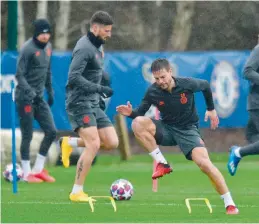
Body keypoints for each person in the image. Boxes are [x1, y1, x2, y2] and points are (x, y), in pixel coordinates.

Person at [116, 58, 239, 215]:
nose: (160, 81)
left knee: (205, 164)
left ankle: (229, 203)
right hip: (166, 129)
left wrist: (211, 109)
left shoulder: (186, 84)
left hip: (188, 130)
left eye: (163, 77)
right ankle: (162, 163)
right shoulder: (152, 91)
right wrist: (131, 113)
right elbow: (140, 113)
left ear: (170, 72)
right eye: (156, 78)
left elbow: (206, 86)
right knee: (137, 123)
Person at [65, 11, 119, 202]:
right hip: (79, 103)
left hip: (93, 102)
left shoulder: (98, 47)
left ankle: (69, 143)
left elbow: (95, 71)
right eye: (106, 30)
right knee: (94, 144)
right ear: (94, 28)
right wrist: (98, 87)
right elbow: (73, 78)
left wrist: (101, 88)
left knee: (112, 142)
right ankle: (76, 191)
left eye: (110, 31)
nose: (109, 35)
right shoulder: (84, 47)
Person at [15, 19, 56, 183]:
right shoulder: (27, 49)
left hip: (39, 99)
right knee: (28, 135)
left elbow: (48, 72)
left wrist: (50, 91)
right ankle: (26, 173)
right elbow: (19, 75)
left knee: (51, 131)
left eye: (47, 33)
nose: (45, 36)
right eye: (42, 33)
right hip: (25, 98)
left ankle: (38, 170)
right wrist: (30, 92)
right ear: (36, 33)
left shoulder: (49, 48)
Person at [59, 71, 111, 167]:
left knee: (107, 141)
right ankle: (78, 181)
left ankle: (68, 142)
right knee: (98, 142)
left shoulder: (103, 76)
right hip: (85, 110)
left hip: (95, 108)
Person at [227, 38, 259, 176]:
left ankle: (240, 151)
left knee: (252, 135)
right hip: (257, 103)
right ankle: (238, 152)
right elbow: (247, 71)